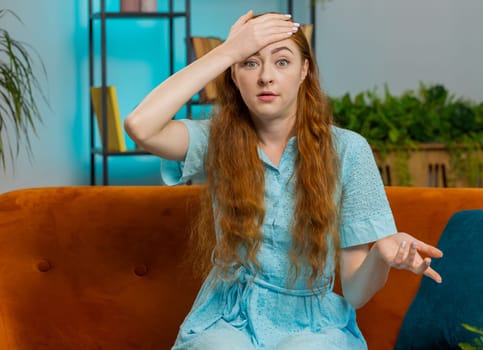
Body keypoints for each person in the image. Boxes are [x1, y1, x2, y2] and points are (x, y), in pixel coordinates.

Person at [124, 11, 443, 350]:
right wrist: (228, 51)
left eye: (282, 62)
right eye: (250, 63)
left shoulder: (349, 151)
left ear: (304, 71)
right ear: (233, 74)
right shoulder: (217, 140)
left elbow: (356, 293)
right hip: (227, 321)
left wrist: (380, 254)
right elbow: (140, 126)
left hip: (312, 326)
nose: (266, 77)